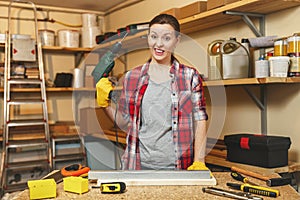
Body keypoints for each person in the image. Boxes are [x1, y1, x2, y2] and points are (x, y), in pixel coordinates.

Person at [96, 14, 208, 170]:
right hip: (137, 165)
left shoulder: (190, 77)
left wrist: (199, 161)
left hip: (178, 166)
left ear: (176, 41)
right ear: (148, 38)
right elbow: (124, 121)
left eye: (167, 38)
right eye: (154, 37)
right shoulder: (131, 77)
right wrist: (105, 104)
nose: (159, 44)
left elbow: (200, 120)